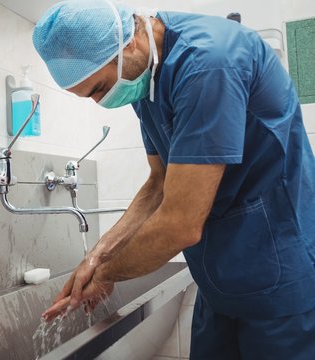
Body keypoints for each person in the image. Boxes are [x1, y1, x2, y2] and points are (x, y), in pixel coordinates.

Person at [32, 0, 315, 358]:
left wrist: (107, 273)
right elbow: (158, 182)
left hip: (276, 273)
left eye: (99, 89)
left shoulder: (209, 64)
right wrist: (97, 256)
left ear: (128, 44)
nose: (100, 102)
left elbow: (180, 224)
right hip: (219, 279)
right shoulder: (144, 78)